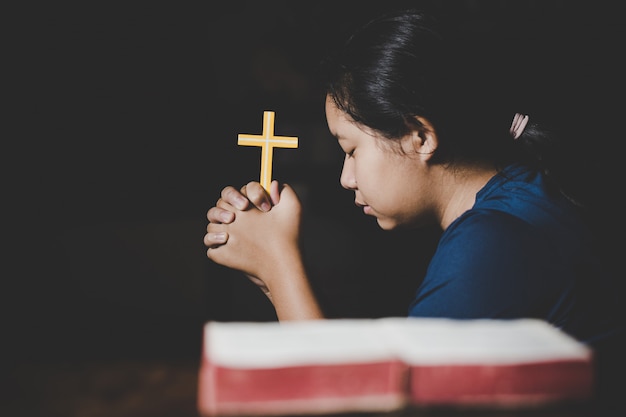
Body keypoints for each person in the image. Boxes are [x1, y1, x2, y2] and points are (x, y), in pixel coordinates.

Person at [203, 9, 623, 346]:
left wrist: (279, 263)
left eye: (351, 150)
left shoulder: (492, 243)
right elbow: (383, 371)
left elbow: (362, 405)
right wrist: (272, 270)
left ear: (420, 137)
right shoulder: (522, 193)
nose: (346, 178)